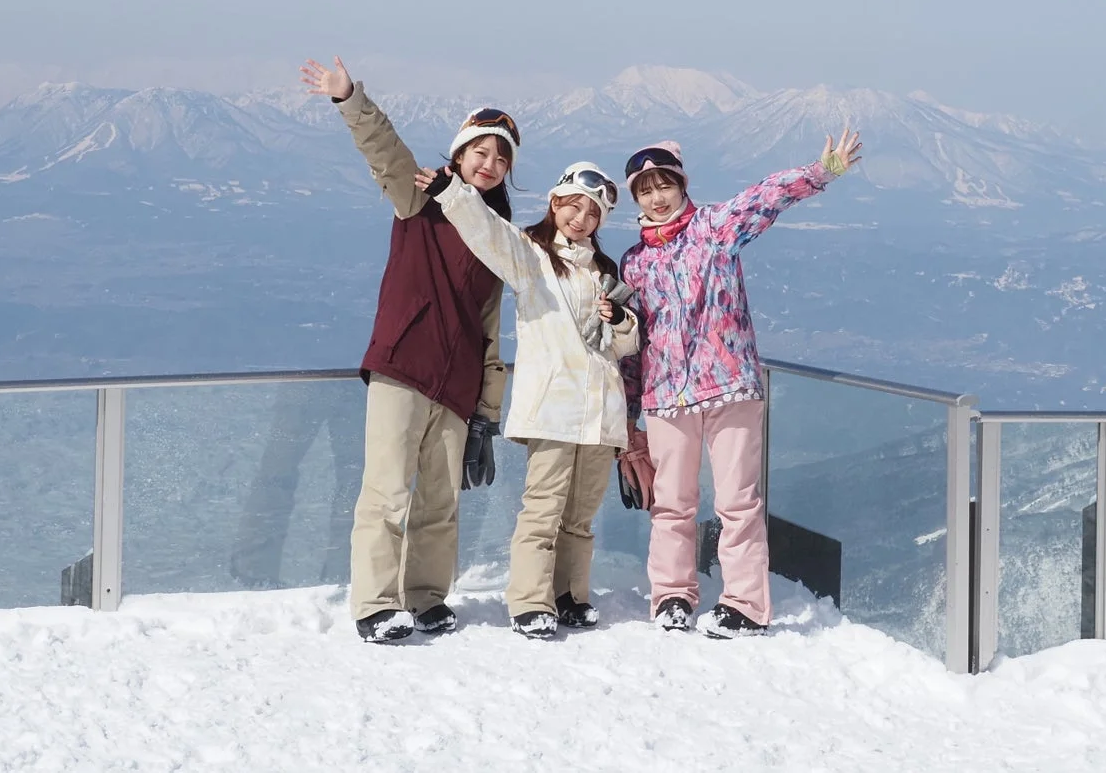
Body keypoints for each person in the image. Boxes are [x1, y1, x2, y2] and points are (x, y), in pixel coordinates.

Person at [300, 55, 514, 643]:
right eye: (481, 152)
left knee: (440, 503)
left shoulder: (497, 235)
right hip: (403, 367)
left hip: (457, 381)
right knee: (387, 492)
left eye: (501, 159)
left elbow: (492, 329)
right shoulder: (420, 198)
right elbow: (383, 149)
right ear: (461, 153)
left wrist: (487, 414)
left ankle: (426, 597)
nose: (490, 165)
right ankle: (375, 602)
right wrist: (349, 97)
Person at [619, 130, 862, 638]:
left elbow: (765, 196)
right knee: (672, 504)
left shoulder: (714, 227)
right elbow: (634, 341)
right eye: (645, 189)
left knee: (737, 502)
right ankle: (672, 596)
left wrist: (820, 173)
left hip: (730, 385)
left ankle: (746, 603)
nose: (657, 196)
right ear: (635, 197)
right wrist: (628, 411)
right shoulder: (634, 263)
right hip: (665, 396)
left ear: (682, 185)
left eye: (665, 184)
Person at [418, 159, 639, 638]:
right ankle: (529, 601)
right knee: (543, 509)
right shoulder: (532, 255)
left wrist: (619, 320)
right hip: (554, 408)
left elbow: (625, 346)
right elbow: (487, 231)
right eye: (573, 206)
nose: (580, 219)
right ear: (555, 203)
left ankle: (570, 596)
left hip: (601, 411)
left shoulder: (604, 269)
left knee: (580, 515)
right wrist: (451, 192)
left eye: (592, 213)